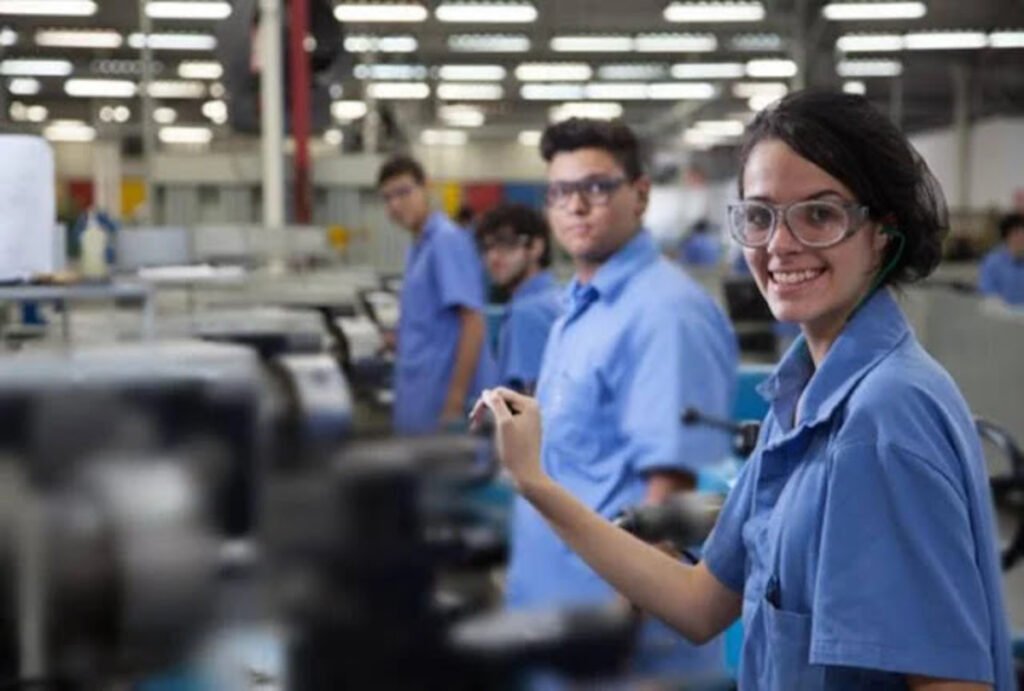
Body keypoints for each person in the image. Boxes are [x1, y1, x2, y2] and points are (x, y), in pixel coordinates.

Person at [474, 90, 1013, 690]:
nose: (779, 244)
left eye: (819, 215)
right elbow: (700, 603)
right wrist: (536, 483)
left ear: (883, 232)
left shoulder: (884, 413)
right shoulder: (801, 402)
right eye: (759, 216)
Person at [502, 118, 739, 679]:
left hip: (619, 651)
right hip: (556, 626)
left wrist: (617, 636)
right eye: (560, 191)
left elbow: (673, 497)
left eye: (597, 187)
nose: (576, 206)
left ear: (640, 194)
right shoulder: (581, 305)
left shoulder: (665, 314)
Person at [377, 155, 494, 435]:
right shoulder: (418, 247)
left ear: (425, 188)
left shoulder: (446, 241)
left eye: (403, 192)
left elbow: (473, 323)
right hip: (421, 398)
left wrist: (455, 401)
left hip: (442, 402)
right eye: (388, 198)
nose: (396, 204)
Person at [475, 203, 561, 394]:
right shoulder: (556, 297)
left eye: (506, 243)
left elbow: (530, 400)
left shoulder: (527, 312)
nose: (493, 257)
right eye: (487, 247)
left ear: (536, 247)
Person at [978, 213, 1024, 305]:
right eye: (1016, 234)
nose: (1021, 238)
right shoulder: (993, 262)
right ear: (1007, 236)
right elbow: (988, 293)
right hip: (1001, 312)